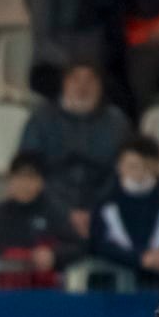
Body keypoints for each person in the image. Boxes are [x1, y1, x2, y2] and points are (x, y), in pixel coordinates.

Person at [17, 60, 133, 239]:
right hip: (48, 206)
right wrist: (65, 213)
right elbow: (30, 168)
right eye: (75, 80)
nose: (82, 87)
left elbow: (121, 173)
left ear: (100, 86)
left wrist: (95, 211)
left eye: (90, 81)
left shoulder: (117, 123)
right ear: (64, 83)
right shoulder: (41, 119)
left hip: (104, 209)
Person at [0, 151, 82, 289]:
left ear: (41, 181)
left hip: (40, 293)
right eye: (18, 176)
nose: (24, 183)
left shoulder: (55, 213)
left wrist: (53, 256)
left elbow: (77, 248)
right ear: (10, 179)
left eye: (30, 176)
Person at [89, 136, 159, 290]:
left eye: (147, 167)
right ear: (119, 166)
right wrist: (140, 258)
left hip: (158, 288)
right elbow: (98, 244)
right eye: (133, 166)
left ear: (157, 168)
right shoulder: (106, 206)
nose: (139, 173)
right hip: (111, 290)